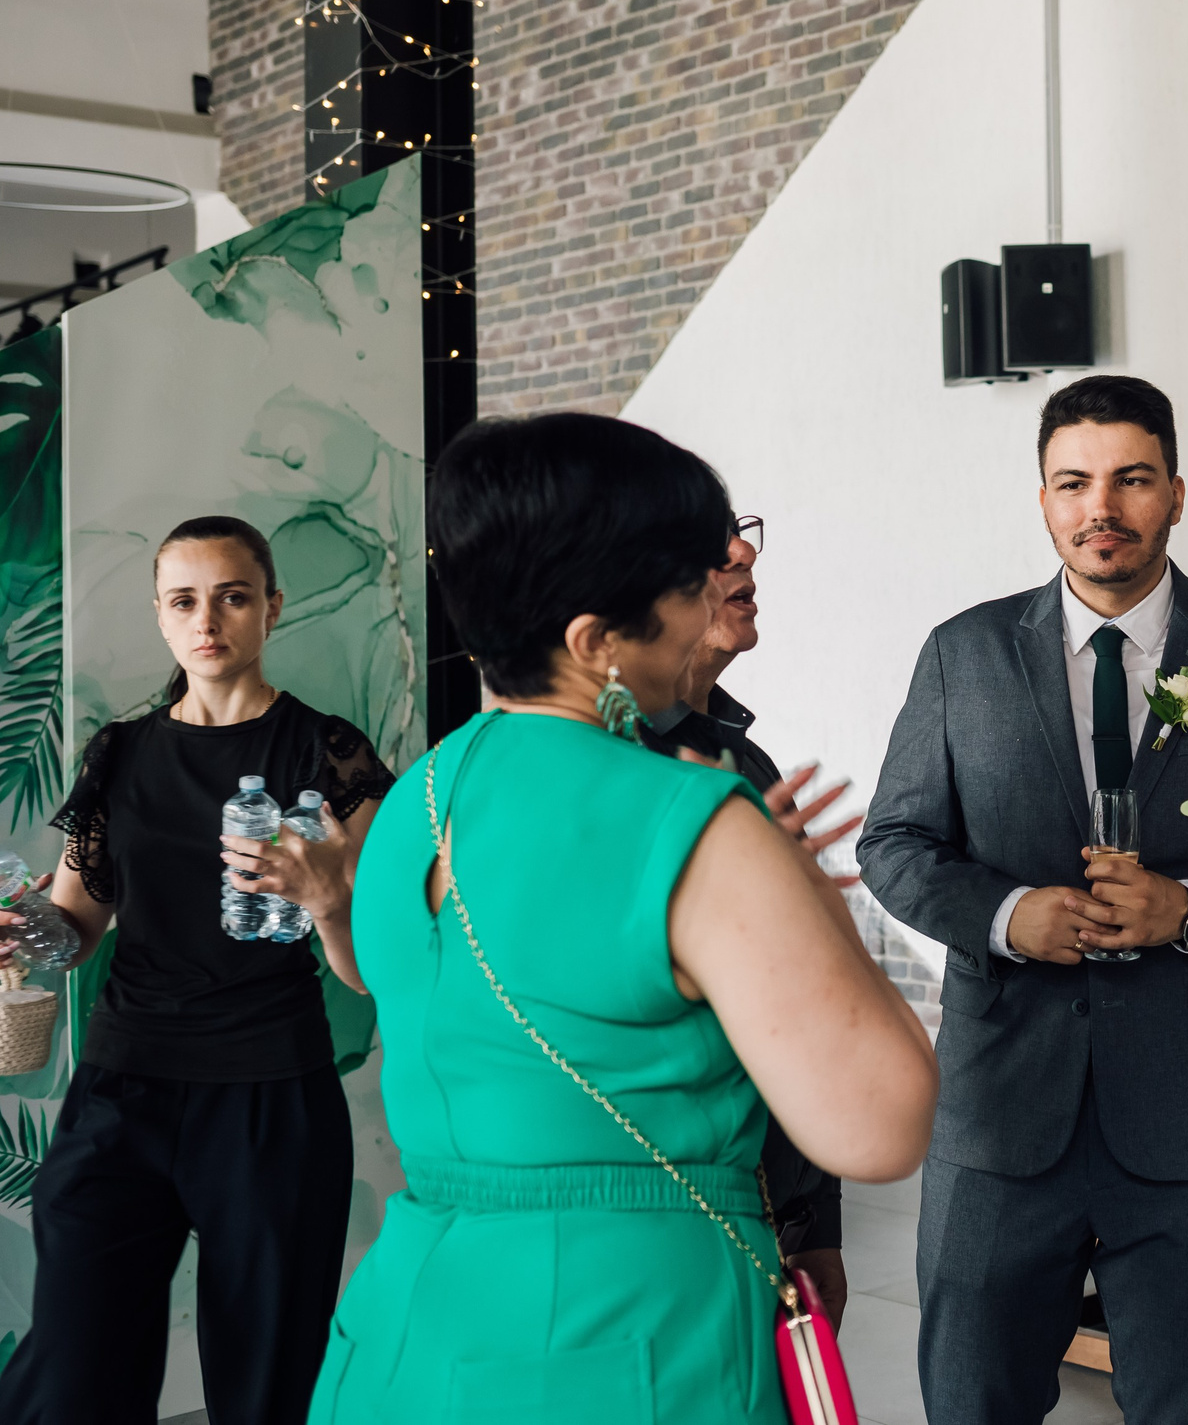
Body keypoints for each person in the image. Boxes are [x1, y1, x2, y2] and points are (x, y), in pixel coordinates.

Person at [310, 413, 934, 1423]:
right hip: (628, 1342)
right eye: (689, 586)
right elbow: (880, 1124)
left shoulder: (409, 808)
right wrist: (813, 901)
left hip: (415, 1337)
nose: (711, 607)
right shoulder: (689, 816)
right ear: (594, 643)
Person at [857, 374, 1188, 1425]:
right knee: (972, 1404)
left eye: (1130, 479)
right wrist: (1004, 915)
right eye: (1072, 483)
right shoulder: (963, 655)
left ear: (1175, 492)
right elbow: (892, 844)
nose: (1100, 508)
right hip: (1000, 1116)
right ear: (1042, 499)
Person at [0, 515, 393, 1425]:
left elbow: (369, 975)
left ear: (272, 608)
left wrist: (327, 900)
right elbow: (76, 930)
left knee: (266, 1382)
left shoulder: (329, 755)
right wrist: (14, 924)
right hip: (124, 1090)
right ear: (162, 617)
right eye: (185, 600)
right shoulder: (119, 753)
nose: (209, 618)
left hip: (271, 1096)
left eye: (233, 595)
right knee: (73, 1375)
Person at [645, 514, 864, 1325]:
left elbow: (800, 1008)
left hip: (772, 1185)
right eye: (708, 542)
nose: (744, 553)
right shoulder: (611, 773)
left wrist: (815, 1218)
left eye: (738, 531)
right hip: (674, 1207)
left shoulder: (748, 762)